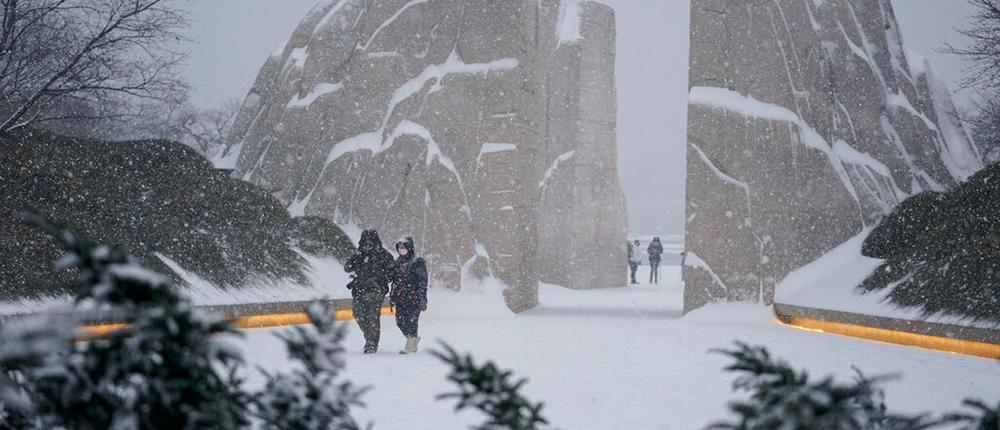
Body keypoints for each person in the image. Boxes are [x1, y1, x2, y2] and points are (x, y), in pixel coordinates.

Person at [344, 229, 394, 354]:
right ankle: (369, 338)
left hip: (376, 291)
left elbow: (392, 272)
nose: (367, 246)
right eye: (365, 243)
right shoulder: (359, 254)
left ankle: (372, 343)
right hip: (359, 290)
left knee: (372, 316)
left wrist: (380, 280)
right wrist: (358, 259)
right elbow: (347, 267)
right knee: (358, 315)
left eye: (370, 243)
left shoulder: (384, 255)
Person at [390, 236, 428, 354]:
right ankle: (413, 338)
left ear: (409, 247)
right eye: (399, 247)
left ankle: (410, 347)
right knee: (400, 322)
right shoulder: (397, 262)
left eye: (404, 247)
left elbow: (423, 280)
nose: (401, 249)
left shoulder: (417, 261)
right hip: (400, 298)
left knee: (412, 321)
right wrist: (392, 296)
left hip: (414, 297)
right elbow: (394, 281)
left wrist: (422, 296)